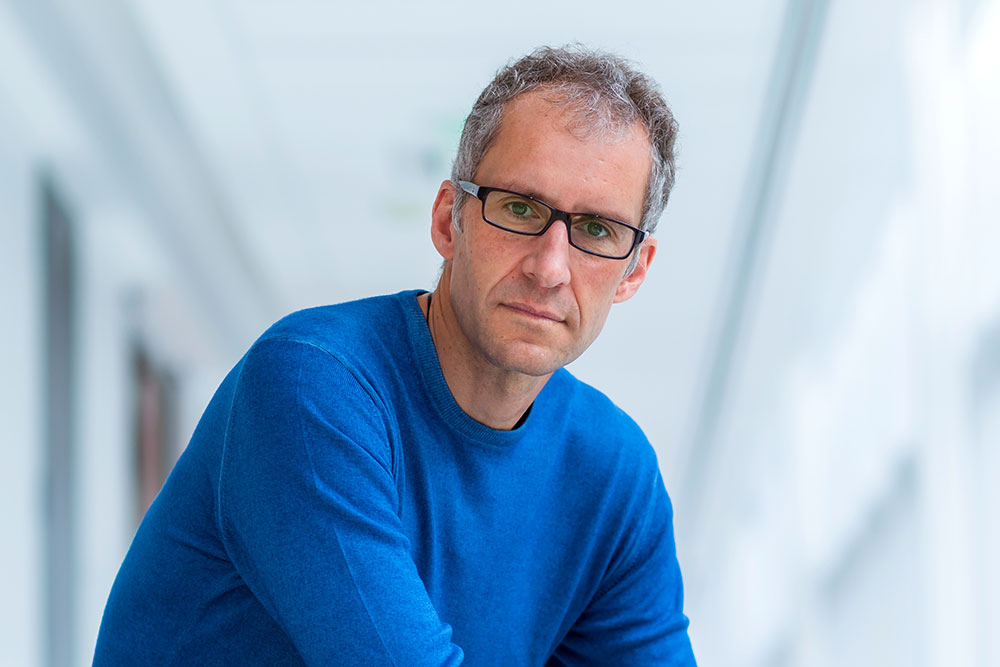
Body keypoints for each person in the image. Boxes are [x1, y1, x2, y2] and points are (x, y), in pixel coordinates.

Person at [95, 45, 696, 665]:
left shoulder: (613, 475)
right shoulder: (312, 386)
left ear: (633, 271)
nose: (550, 268)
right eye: (519, 209)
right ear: (448, 220)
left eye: (596, 230)